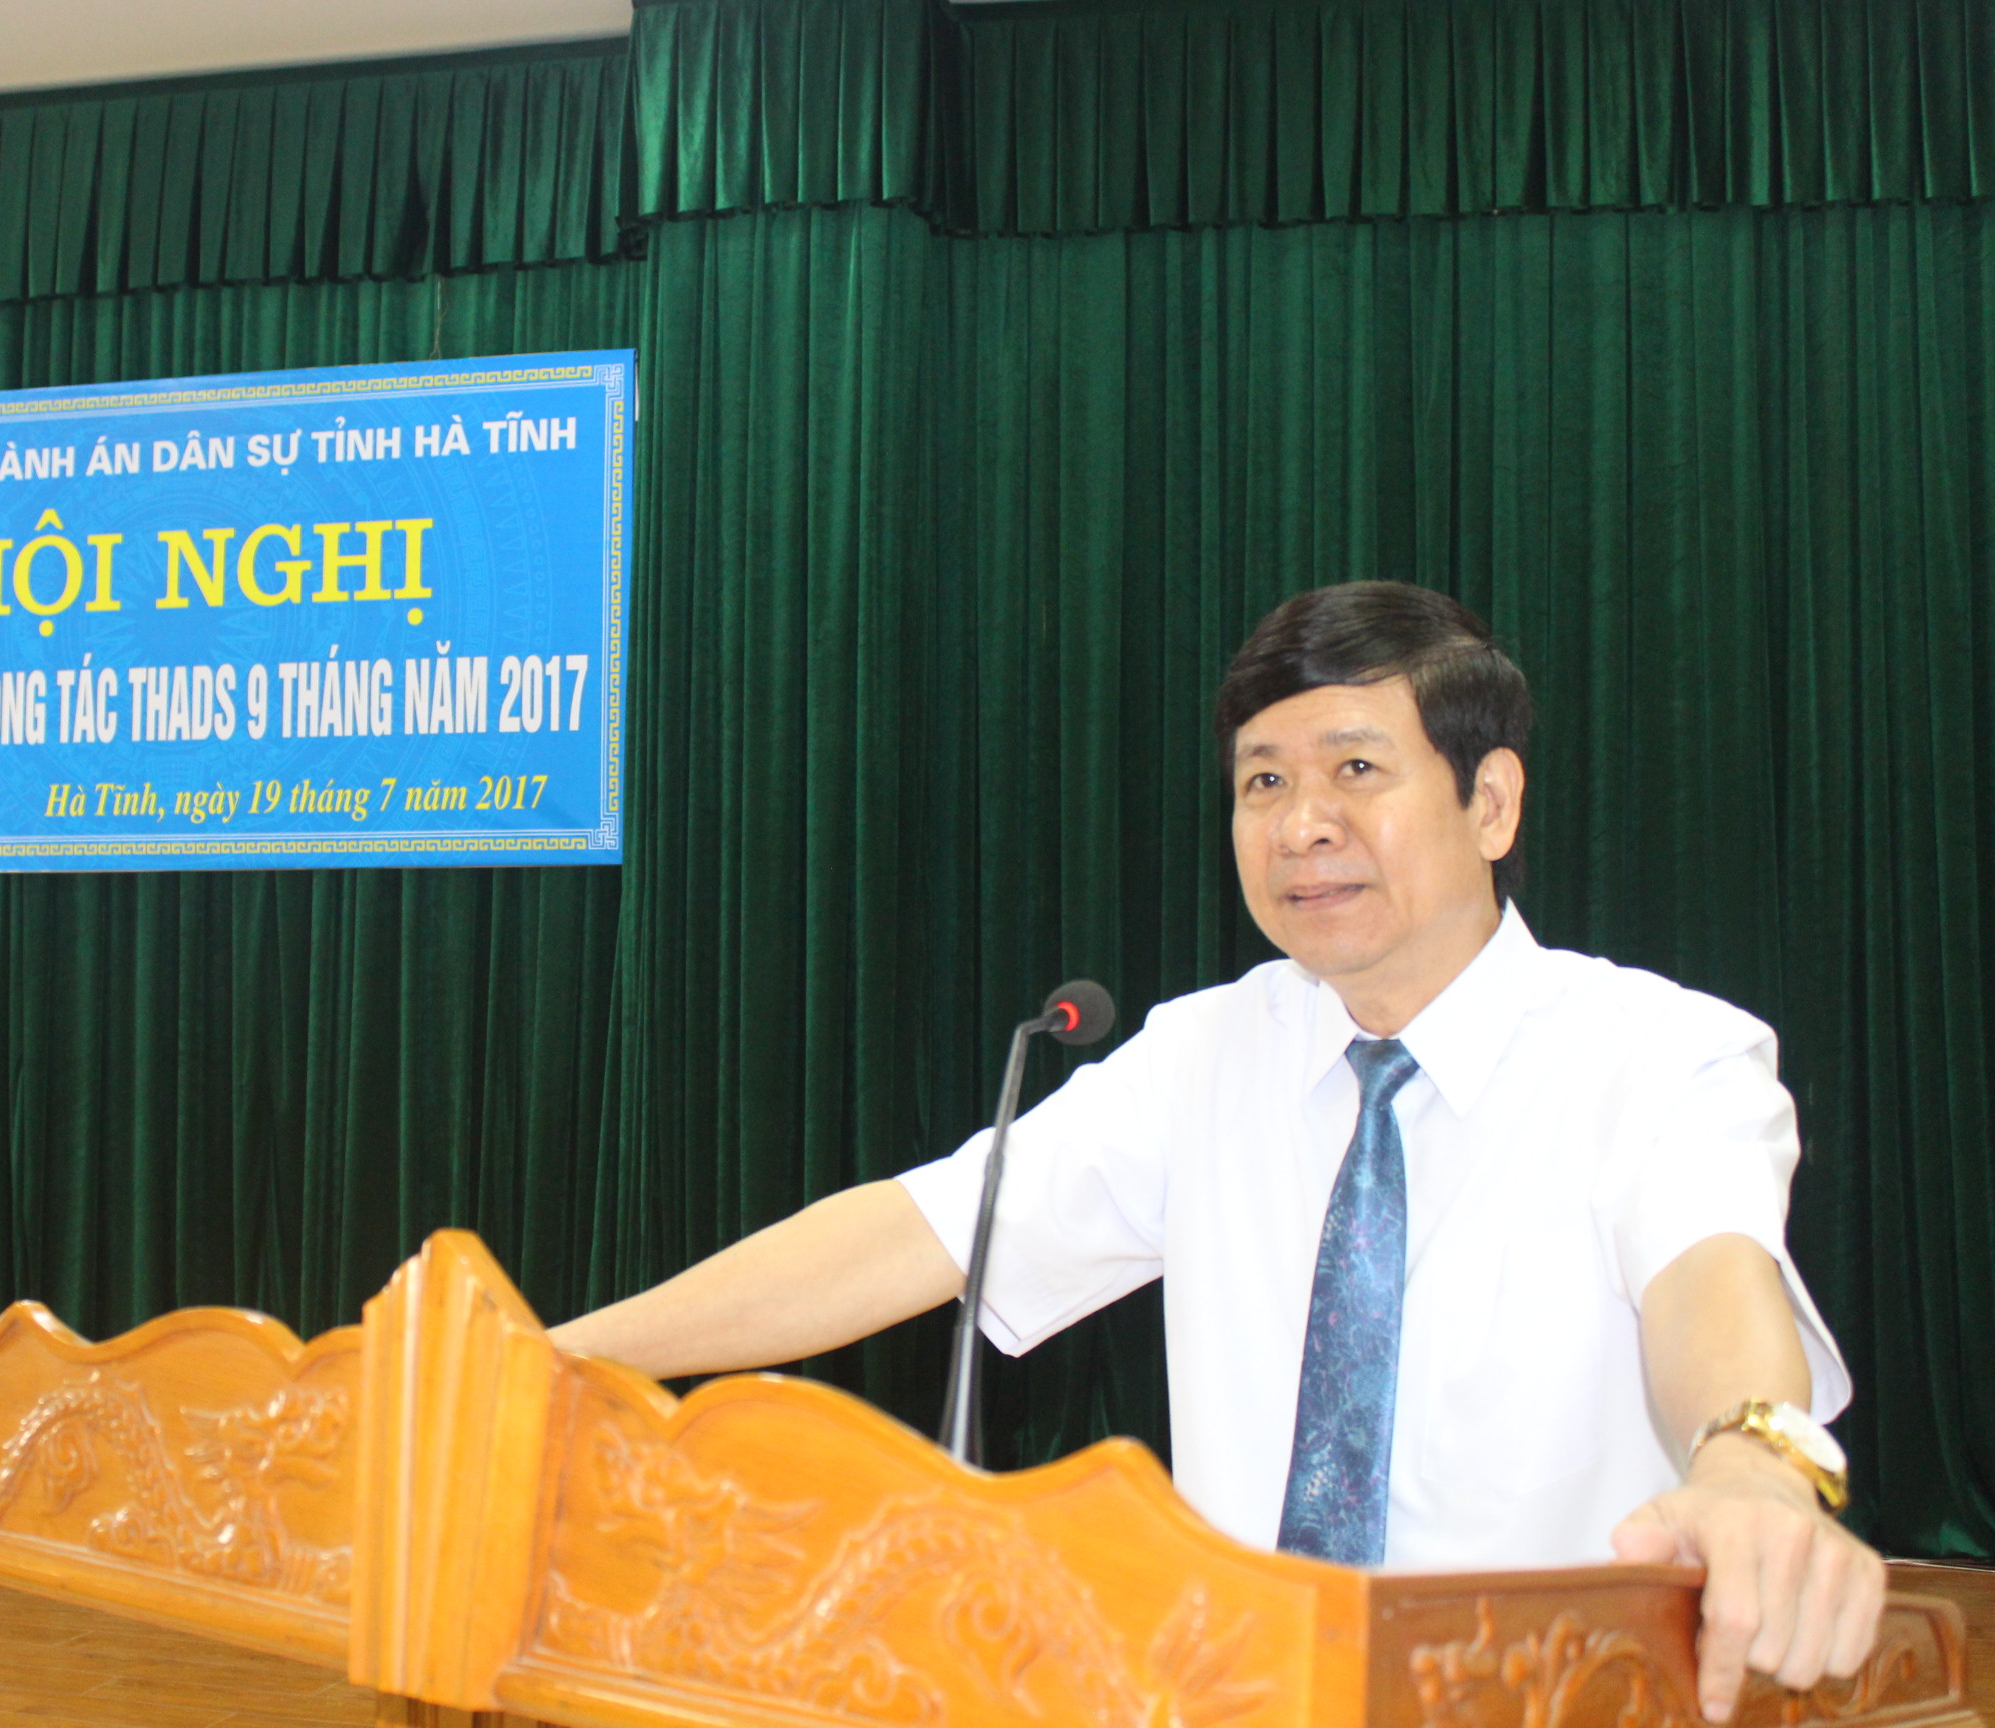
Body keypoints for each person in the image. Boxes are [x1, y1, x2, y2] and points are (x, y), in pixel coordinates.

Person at [549, 581, 1883, 1725]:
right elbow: (924, 1230)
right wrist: (558, 1359)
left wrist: (1750, 1464)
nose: (1301, 825)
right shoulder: (1207, 1055)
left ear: (1491, 802)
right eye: (1264, 781)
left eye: (1356, 770)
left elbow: (1713, 1279)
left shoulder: (1660, 1054)